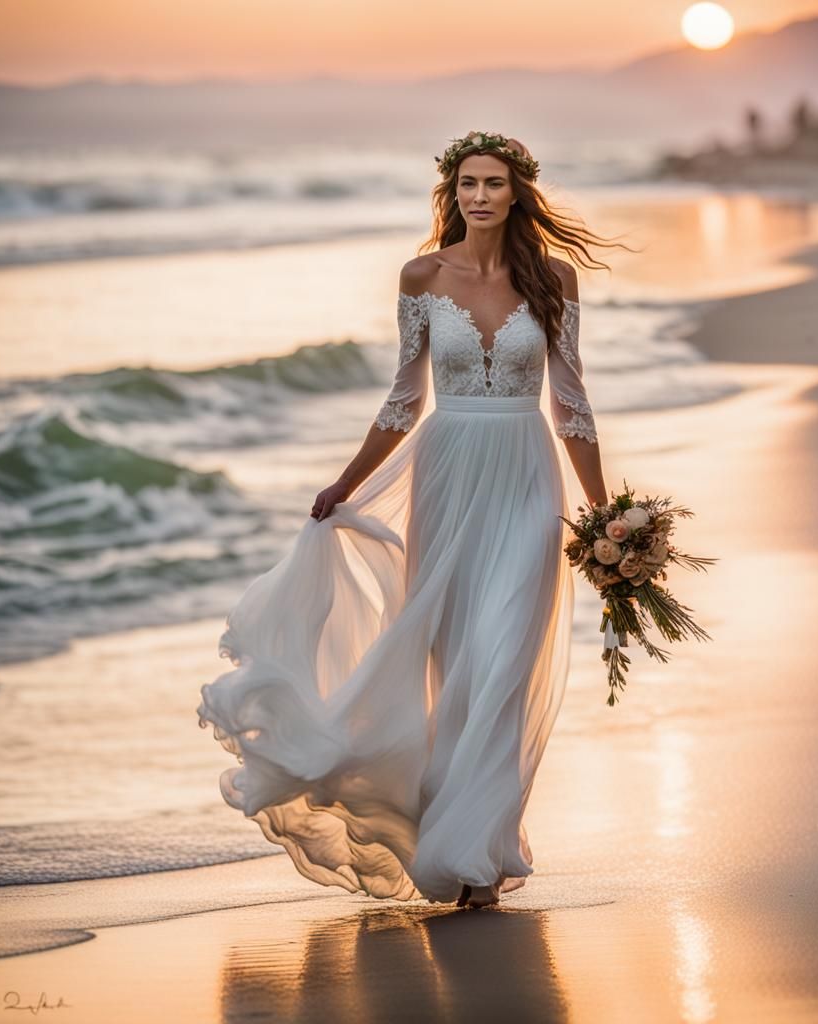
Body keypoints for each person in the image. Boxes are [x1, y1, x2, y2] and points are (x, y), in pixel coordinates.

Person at [197, 130, 629, 910]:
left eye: (494, 183)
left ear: (518, 191)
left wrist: (605, 515)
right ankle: (461, 845)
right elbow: (404, 400)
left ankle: (481, 848)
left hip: (528, 475)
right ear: (451, 190)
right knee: (454, 657)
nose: (479, 196)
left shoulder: (554, 279)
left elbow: (571, 402)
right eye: (467, 182)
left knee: (505, 660)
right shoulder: (422, 275)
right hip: (447, 471)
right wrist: (345, 482)